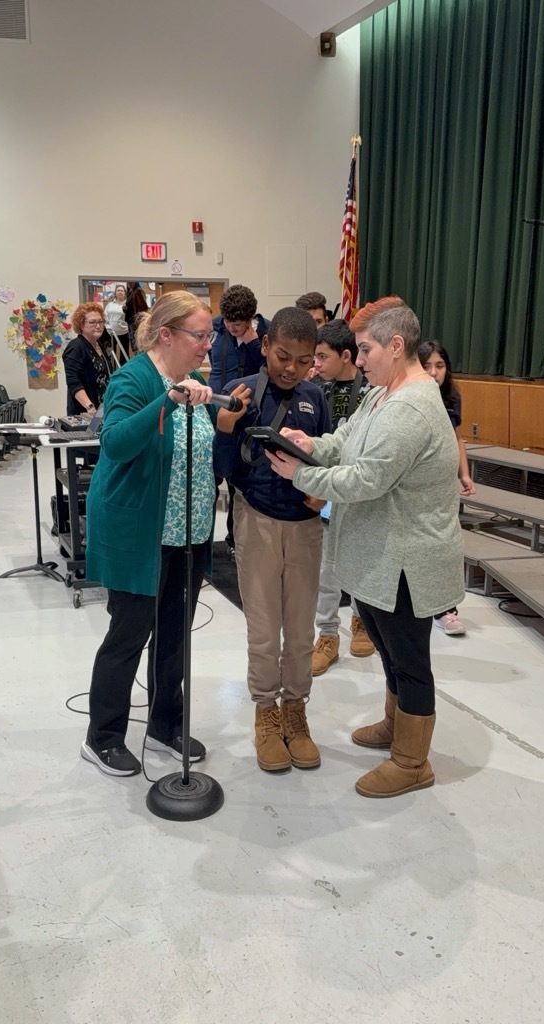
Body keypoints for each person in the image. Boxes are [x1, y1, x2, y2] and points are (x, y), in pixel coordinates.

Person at [266, 297, 464, 798]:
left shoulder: (413, 406)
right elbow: (346, 441)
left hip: (407, 561)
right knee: (390, 650)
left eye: (366, 348)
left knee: (409, 659)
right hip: (383, 556)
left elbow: (367, 478)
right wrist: (309, 445)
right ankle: (395, 727)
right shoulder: (381, 393)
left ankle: (412, 762)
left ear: (397, 347)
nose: (359, 358)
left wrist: (301, 474)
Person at [81, 291, 220, 777]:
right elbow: (115, 443)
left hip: (188, 533)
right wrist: (166, 401)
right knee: (130, 635)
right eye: (200, 335)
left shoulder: (195, 379)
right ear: (167, 335)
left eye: (210, 335)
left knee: (175, 636)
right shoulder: (132, 378)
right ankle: (102, 737)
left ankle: (164, 725)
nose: (208, 344)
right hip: (141, 533)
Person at [213, 307, 330, 773]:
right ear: (265, 346)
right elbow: (224, 469)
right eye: (283, 355)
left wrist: (322, 493)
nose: (292, 368)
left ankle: (296, 713)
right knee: (264, 631)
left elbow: (326, 455)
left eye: (304, 361)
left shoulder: (316, 398)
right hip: (256, 521)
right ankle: (266, 712)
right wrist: (225, 429)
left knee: (300, 630)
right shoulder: (243, 391)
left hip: (304, 526)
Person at [310, 320, 375, 675]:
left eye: (322, 356)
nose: (315, 364)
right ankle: (328, 634)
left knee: (361, 565)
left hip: (360, 490)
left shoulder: (372, 391)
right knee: (326, 570)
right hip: (327, 490)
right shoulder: (316, 389)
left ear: (346, 355)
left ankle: (362, 623)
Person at [418, 340, 475, 636]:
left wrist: (464, 474)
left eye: (439, 366)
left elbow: (458, 438)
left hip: (444, 485)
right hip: (419, 486)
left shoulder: (452, 397)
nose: (434, 372)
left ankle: (446, 609)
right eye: (427, 366)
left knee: (445, 547)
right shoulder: (412, 397)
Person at [208, 284, 270, 556]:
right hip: (213, 409)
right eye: (229, 322)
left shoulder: (264, 332)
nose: (233, 327)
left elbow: (268, 369)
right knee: (209, 481)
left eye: (239, 323)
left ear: (251, 318)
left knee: (236, 483)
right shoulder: (216, 328)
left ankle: (235, 542)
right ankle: (205, 540)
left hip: (244, 414)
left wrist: (254, 341)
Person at [62, 302, 113, 415]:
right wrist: (90, 407)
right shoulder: (75, 347)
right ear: (81, 324)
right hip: (85, 413)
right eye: (92, 322)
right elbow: (74, 382)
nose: (98, 326)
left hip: (102, 411)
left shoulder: (99, 345)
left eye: (100, 322)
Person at [104, 284, 130, 362]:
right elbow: (105, 314)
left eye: (121, 291)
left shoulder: (127, 305)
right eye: (118, 290)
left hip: (124, 333)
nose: (119, 292)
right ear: (115, 293)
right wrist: (106, 323)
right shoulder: (110, 304)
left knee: (124, 353)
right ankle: (112, 371)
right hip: (111, 333)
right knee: (111, 354)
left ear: (124, 293)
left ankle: (124, 371)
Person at [124, 281, 149, 350]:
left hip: (135, 322)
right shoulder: (131, 292)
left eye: (131, 282)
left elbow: (143, 308)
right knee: (134, 344)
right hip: (131, 321)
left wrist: (139, 321)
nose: (129, 284)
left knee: (137, 344)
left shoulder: (137, 291)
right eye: (128, 282)